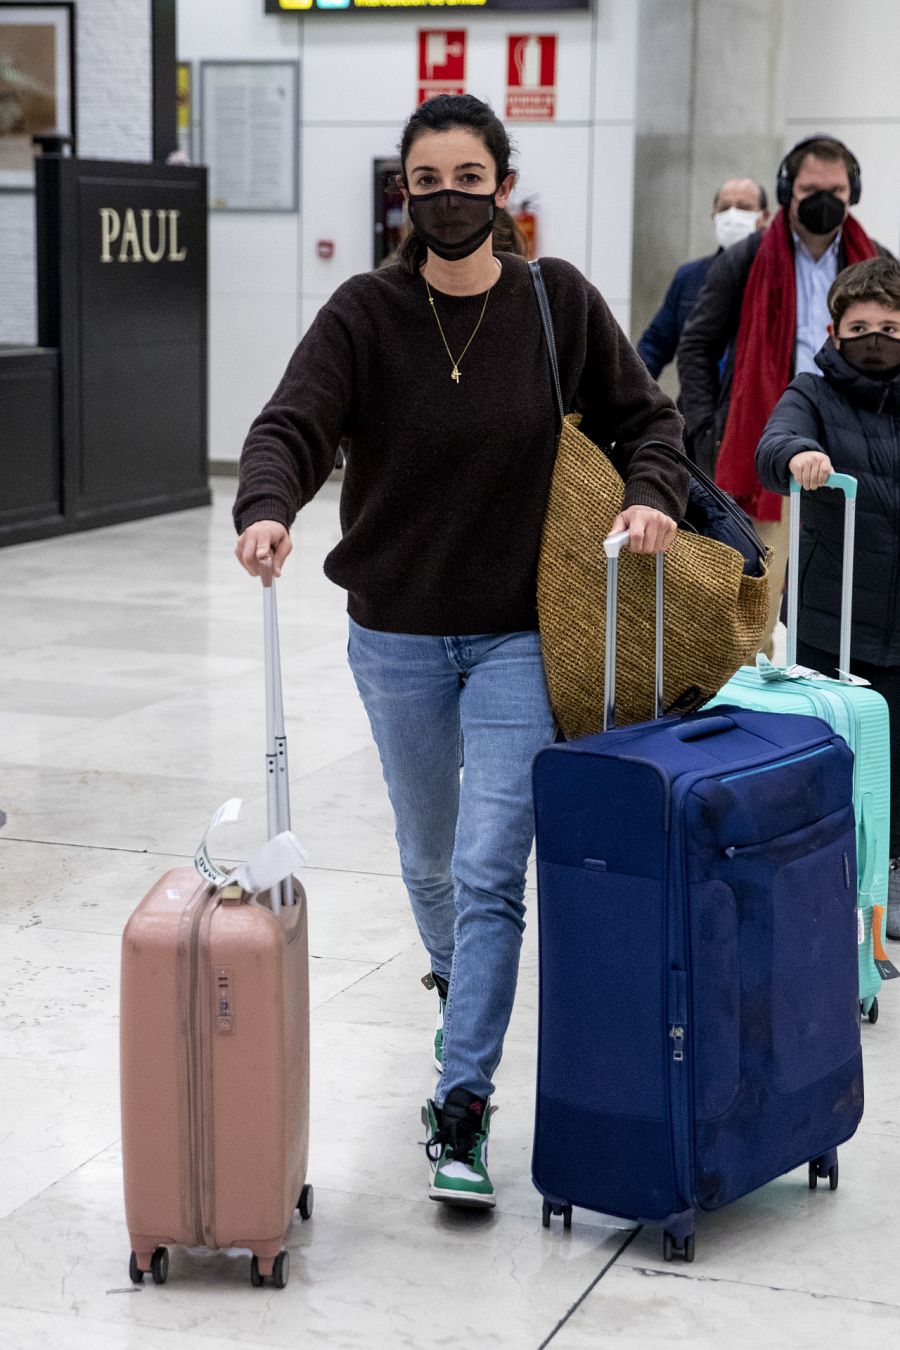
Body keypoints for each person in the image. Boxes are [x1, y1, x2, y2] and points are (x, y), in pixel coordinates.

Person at [233, 94, 688, 1209]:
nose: (448, 197)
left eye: (469, 177)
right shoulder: (364, 313)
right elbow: (290, 423)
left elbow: (649, 421)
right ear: (405, 190)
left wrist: (649, 497)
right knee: (432, 859)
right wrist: (268, 504)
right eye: (426, 179)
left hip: (521, 635)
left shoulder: (554, 302)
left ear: (503, 186)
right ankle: (458, 982)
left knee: (492, 869)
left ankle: (464, 1098)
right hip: (393, 634)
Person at [677, 135, 888, 657]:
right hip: (765, 451)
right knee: (753, 610)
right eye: (812, 189)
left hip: (853, 450)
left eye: (836, 190)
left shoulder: (876, 263)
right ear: (787, 191)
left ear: (853, 191)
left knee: (844, 599)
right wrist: (708, 426)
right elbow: (697, 343)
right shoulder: (747, 259)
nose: (824, 201)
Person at [755, 257, 900, 939]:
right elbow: (774, 442)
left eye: (892, 326)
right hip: (832, 614)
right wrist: (797, 457)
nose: (877, 338)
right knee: (835, 748)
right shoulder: (813, 390)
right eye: (862, 326)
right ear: (834, 331)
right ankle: (821, 865)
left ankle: (890, 871)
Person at [637, 177, 769, 380]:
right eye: (724, 208)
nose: (732, 215)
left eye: (744, 207)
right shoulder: (690, 276)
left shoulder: (777, 276)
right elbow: (655, 345)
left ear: (764, 217)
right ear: (714, 216)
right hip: (698, 401)